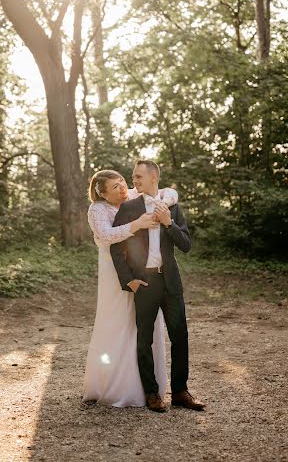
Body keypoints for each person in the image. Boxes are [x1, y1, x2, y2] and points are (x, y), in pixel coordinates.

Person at [111, 160, 206, 412]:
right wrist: (128, 280)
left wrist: (168, 222)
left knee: (180, 336)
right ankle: (152, 394)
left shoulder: (172, 208)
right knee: (144, 339)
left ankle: (180, 392)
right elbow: (116, 246)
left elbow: (185, 245)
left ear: (154, 178)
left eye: (139, 176)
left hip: (171, 281)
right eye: (133, 177)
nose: (134, 181)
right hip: (145, 283)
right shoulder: (129, 207)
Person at [82, 169, 178, 407]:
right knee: (118, 321)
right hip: (114, 273)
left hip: (140, 269)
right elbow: (105, 236)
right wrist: (137, 224)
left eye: (123, 182)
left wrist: (162, 206)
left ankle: (147, 385)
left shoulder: (134, 194)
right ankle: (117, 384)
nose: (123, 188)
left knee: (144, 325)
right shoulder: (97, 210)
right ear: (102, 193)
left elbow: (171, 192)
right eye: (115, 187)